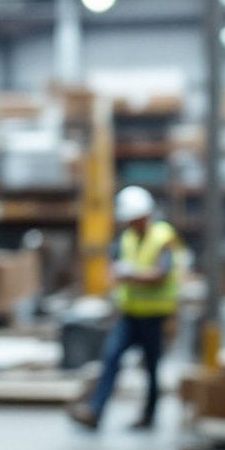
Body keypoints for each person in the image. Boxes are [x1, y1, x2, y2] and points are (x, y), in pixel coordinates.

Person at [69, 185, 183, 431]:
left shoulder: (163, 237)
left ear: (146, 215)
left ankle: (149, 416)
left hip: (155, 316)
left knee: (151, 369)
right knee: (111, 358)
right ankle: (95, 411)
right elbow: (118, 270)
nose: (132, 225)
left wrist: (131, 276)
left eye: (135, 219)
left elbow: (162, 274)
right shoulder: (128, 239)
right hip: (130, 315)